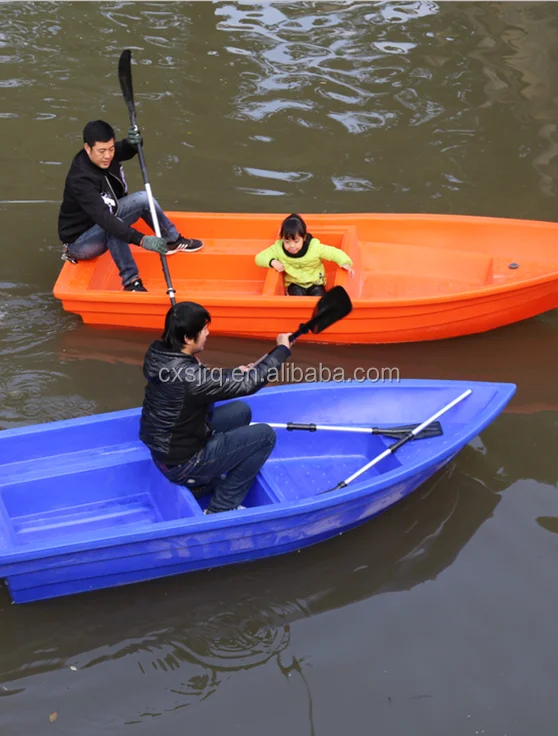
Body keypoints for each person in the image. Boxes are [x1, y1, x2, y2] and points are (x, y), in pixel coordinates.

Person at [139, 301, 293, 514]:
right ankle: (221, 507)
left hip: (167, 448)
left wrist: (234, 373)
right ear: (187, 338)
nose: (207, 333)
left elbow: (202, 380)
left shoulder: (159, 353)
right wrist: (282, 350)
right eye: (203, 330)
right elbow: (248, 384)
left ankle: (207, 476)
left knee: (241, 410)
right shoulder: (189, 377)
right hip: (182, 464)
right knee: (265, 436)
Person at [57, 119, 203, 292]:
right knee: (114, 226)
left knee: (143, 198)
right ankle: (131, 281)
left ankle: (172, 240)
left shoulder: (106, 155)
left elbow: (123, 150)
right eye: (102, 151)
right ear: (87, 148)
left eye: (111, 149)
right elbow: (106, 220)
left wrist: (133, 143)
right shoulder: (80, 179)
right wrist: (142, 239)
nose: (108, 156)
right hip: (80, 243)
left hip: (106, 218)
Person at [254, 213, 354, 296]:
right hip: (295, 284)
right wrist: (272, 262)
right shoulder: (278, 248)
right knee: (297, 300)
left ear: (304, 238)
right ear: (282, 239)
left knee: (320, 301)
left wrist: (345, 262)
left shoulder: (314, 247)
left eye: (296, 241)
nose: (292, 246)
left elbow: (333, 253)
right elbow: (259, 258)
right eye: (287, 241)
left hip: (316, 283)